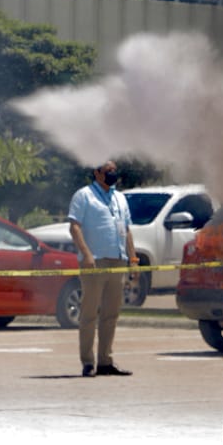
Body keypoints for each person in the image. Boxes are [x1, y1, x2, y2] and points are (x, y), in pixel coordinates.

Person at [67, 160, 137, 377]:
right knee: (89, 313)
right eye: (108, 171)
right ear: (97, 173)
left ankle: (105, 361)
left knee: (111, 314)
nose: (113, 174)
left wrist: (132, 259)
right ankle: (88, 362)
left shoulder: (120, 197)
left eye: (115, 170)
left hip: (118, 261)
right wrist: (86, 254)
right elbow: (74, 227)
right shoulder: (84, 195)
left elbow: (126, 229)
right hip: (95, 262)